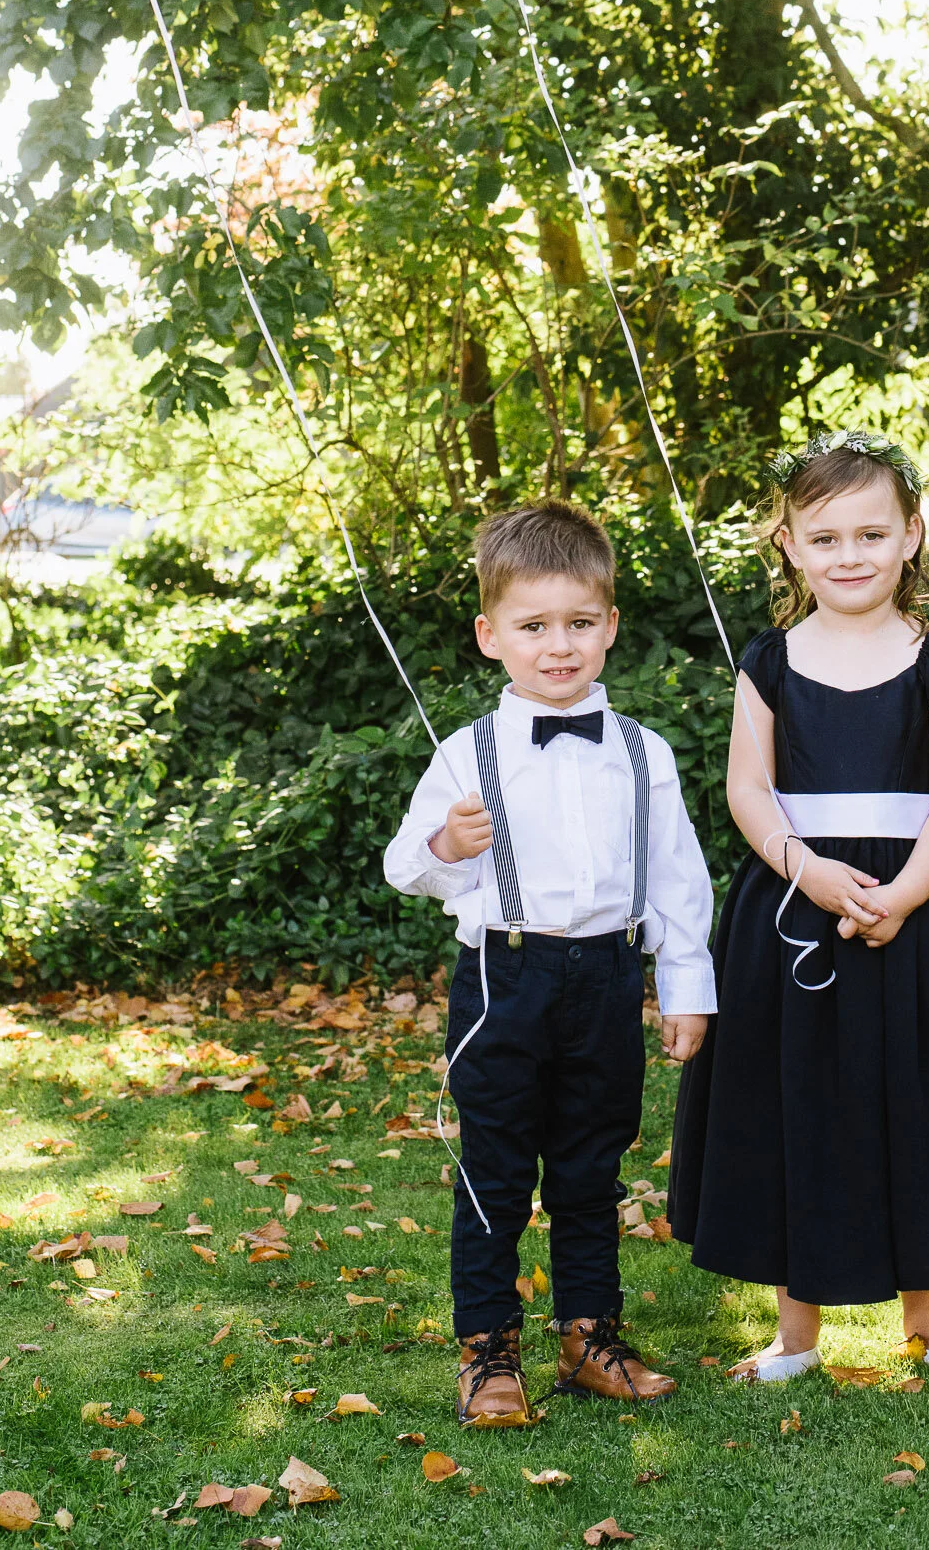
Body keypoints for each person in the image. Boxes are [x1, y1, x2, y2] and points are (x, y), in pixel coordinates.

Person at [669, 430, 929, 1383]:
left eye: (868, 534)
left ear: (911, 537)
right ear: (787, 545)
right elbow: (745, 791)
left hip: (919, 910)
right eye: (823, 538)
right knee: (793, 1102)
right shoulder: (767, 661)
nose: (847, 556)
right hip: (792, 907)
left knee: (920, 1105)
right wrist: (802, 869)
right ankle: (793, 1336)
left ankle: (928, 1331)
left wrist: (901, 894)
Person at [384, 499, 716, 1427]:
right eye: (534, 627)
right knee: (494, 1170)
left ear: (610, 625)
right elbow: (402, 866)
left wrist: (684, 987)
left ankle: (588, 1336)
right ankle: (488, 1348)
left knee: (589, 1166)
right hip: (504, 978)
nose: (558, 646)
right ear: (492, 636)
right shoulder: (468, 751)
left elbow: (678, 881)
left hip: (608, 978)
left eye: (578, 624)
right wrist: (447, 845)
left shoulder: (644, 755)